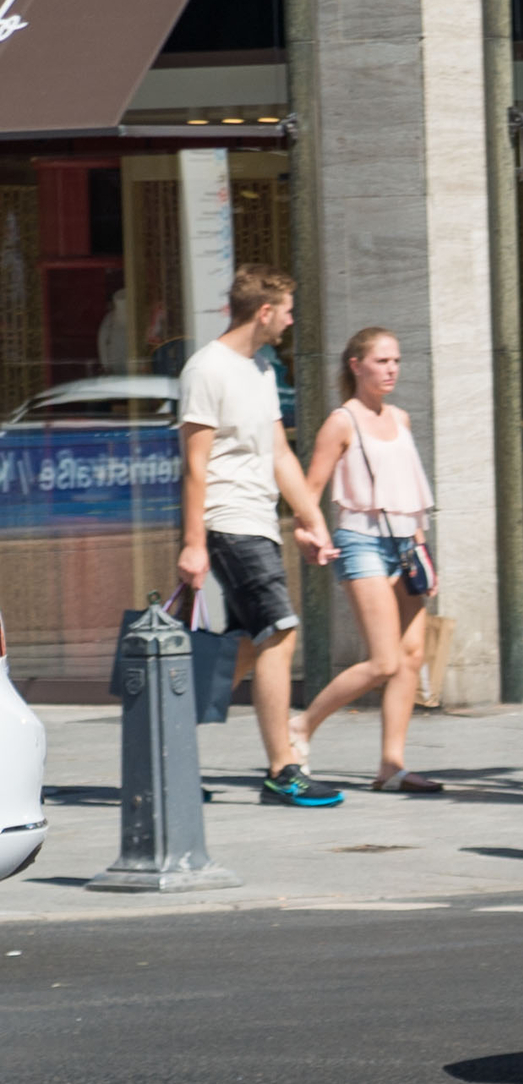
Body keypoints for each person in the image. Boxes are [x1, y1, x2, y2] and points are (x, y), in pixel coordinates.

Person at [176, 265, 342, 808]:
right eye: (288, 310)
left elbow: (280, 454)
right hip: (227, 522)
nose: (292, 321)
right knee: (280, 632)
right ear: (264, 311)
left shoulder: (260, 369)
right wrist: (194, 543)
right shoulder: (207, 369)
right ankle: (282, 769)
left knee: (247, 646)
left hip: (259, 522)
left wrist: (310, 520)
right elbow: (195, 466)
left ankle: (166, 747)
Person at [288, 328, 444, 793]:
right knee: (382, 661)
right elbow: (308, 491)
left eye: (396, 360)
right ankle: (301, 726)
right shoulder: (342, 421)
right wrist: (308, 532)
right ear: (355, 365)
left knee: (411, 657)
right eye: (381, 361)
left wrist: (421, 552)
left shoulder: (401, 418)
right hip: (361, 541)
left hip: (406, 544)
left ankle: (390, 767)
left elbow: (411, 495)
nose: (391, 369)